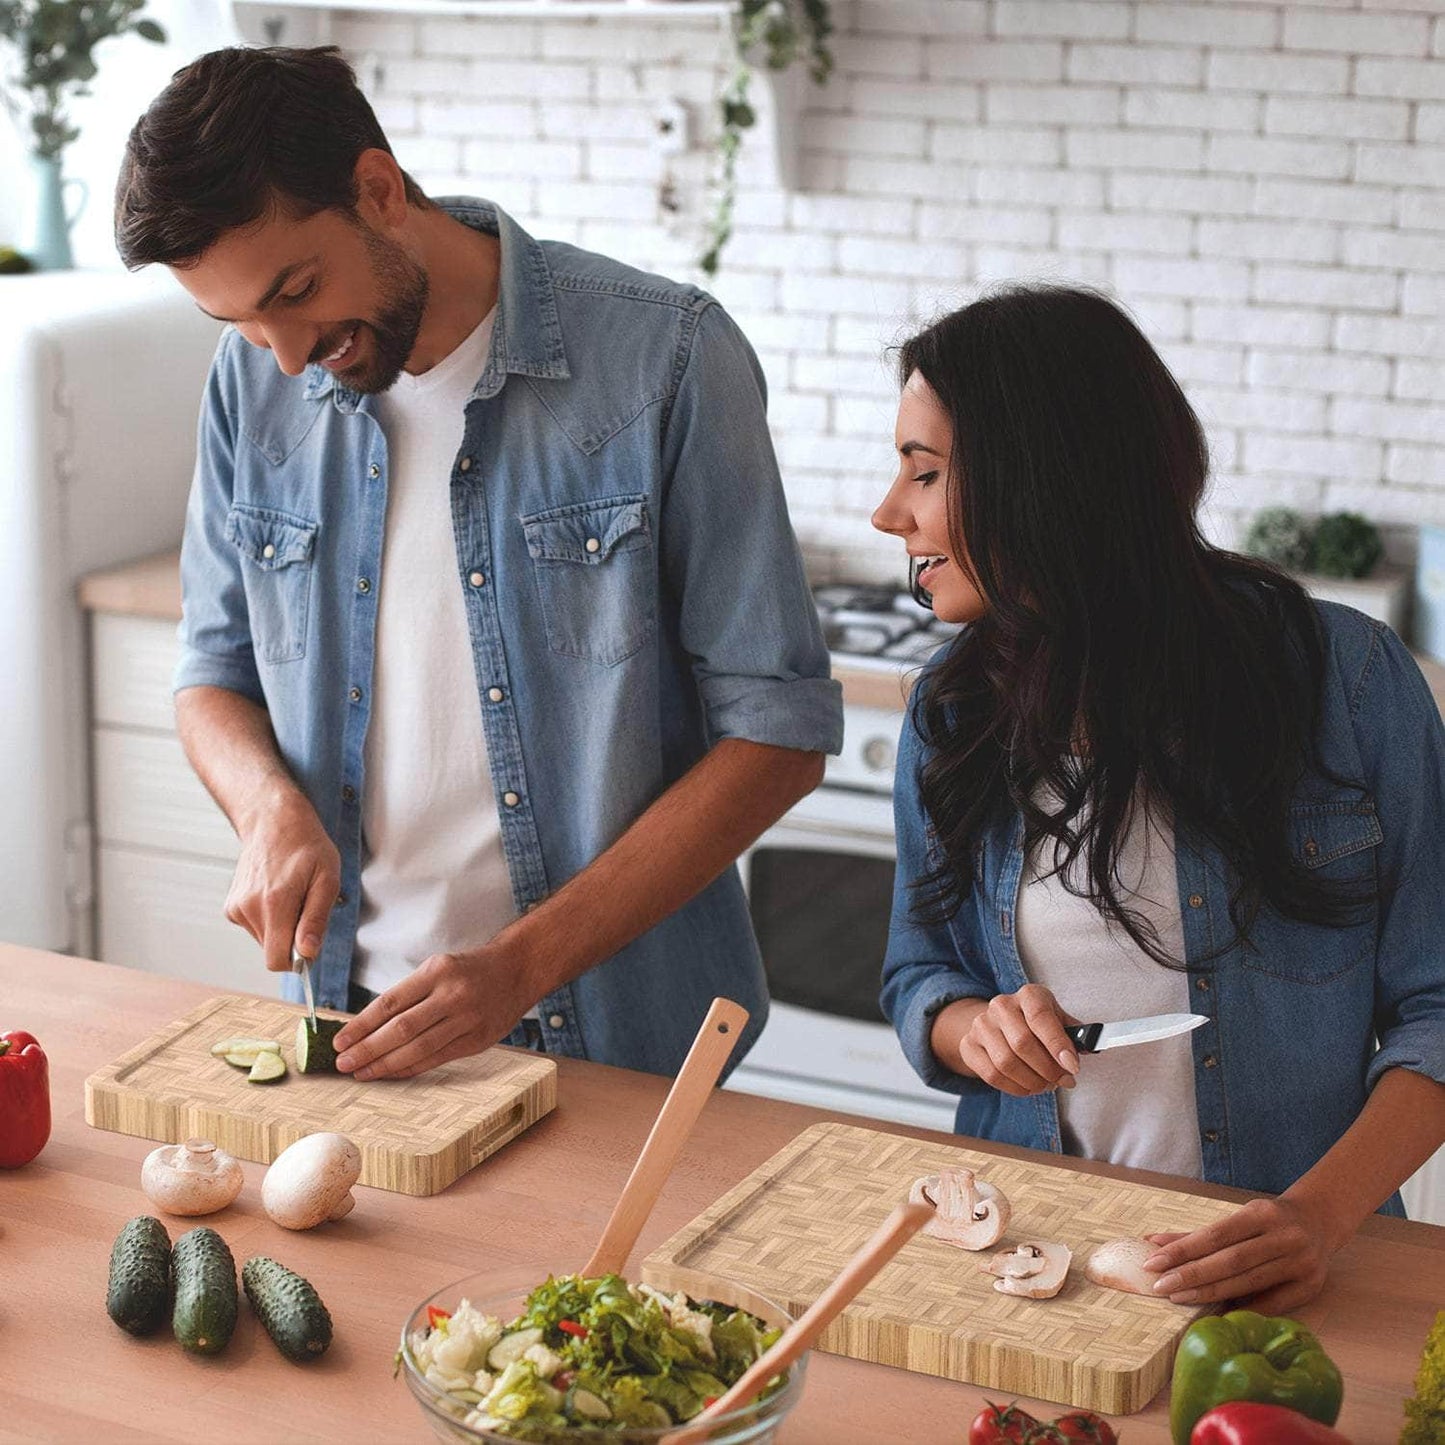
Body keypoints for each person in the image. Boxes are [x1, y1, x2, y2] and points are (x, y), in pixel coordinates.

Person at [114, 46, 841, 1081]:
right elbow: (213, 672)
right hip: (352, 1027)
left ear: (377, 190)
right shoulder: (253, 381)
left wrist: (517, 967)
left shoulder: (664, 360)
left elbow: (777, 734)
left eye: (297, 290)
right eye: (237, 320)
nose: (282, 353)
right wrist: (267, 808)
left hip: (621, 1047)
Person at [873, 284, 1445, 1313]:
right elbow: (920, 974)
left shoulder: (1344, 682)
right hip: (1031, 1262)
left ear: (1042, 478)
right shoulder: (949, 712)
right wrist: (977, 1032)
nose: (888, 511)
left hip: (1300, 1272)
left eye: (923, 471)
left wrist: (1315, 1216)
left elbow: (1437, 1004)